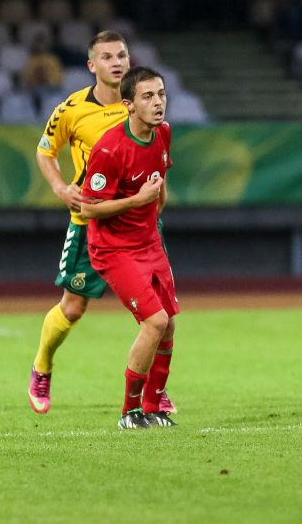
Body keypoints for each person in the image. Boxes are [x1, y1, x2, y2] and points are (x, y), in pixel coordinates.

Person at [27, 31, 173, 417]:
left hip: (140, 229)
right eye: (106, 57)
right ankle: (42, 365)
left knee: (159, 316)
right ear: (92, 65)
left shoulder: (146, 106)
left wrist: (155, 204)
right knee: (73, 309)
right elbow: (45, 152)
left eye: (121, 54)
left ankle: (154, 393)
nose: (116, 62)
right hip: (92, 224)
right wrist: (60, 187)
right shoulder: (72, 110)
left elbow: (157, 158)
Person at [79, 66, 177, 429]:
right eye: (148, 96)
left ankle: (153, 408)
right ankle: (129, 412)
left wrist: (151, 210)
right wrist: (138, 202)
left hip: (149, 241)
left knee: (169, 326)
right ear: (129, 105)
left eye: (161, 94)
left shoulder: (163, 133)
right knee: (155, 321)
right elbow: (88, 207)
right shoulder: (109, 148)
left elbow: (160, 183)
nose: (158, 103)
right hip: (113, 248)